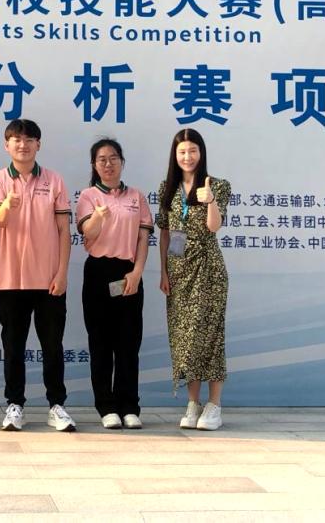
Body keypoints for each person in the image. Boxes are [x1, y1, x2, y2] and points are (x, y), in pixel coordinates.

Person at [0, 118, 76, 432]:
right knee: (13, 346)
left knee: (53, 346)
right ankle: (15, 405)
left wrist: (62, 273)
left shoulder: (54, 180)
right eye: (16, 139)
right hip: (11, 279)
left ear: (39, 144)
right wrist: (7, 205)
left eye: (29, 139)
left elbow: (64, 231)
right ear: (6, 145)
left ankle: (56, 405)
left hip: (49, 279)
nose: (22, 145)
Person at [156, 128, 231, 431]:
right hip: (178, 270)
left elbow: (214, 227)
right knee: (184, 337)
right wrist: (163, 271)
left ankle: (214, 405)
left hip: (208, 268)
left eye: (193, 150)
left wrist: (210, 200)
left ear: (201, 152)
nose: (188, 157)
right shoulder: (167, 188)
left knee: (210, 335)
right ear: (175, 156)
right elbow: (165, 233)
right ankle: (192, 402)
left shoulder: (218, 185)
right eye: (182, 152)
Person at [76, 138, 154, 429]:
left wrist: (137, 272)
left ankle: (129, 406)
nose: (108, 164)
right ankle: (106, 406)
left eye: (113, 158)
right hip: (98, 271)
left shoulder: (136, 197)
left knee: (128, 342)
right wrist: (98, 217)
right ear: (94, 165)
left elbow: (143, 238)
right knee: (100, 342)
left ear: (122, 161)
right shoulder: (88, 196)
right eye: (101, 160)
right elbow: (88, 234)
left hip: (128, 272)